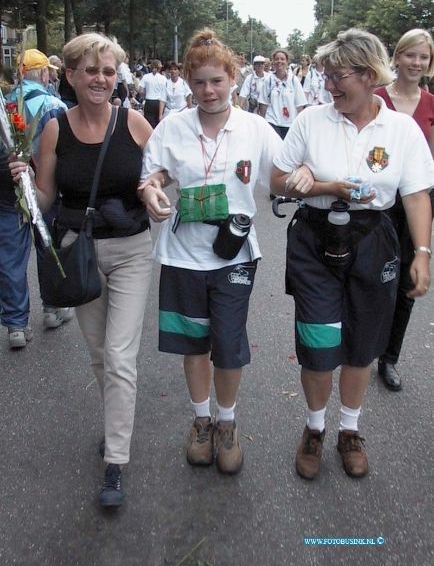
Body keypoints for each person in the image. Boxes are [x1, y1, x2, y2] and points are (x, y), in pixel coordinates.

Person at [270, 28, 434, 481]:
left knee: (362, 344)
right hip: (314, 240)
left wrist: (421, 251)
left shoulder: (400, 130)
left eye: (338, 77)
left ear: (367, 75)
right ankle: (315, 427)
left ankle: (350, 430)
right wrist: (317, 185)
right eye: (326, 76)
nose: (328, 86)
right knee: (320, 344)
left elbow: (417, 194)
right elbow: (277, 180)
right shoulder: (310, 121)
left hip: (373, 239)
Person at [10, 33, 154, 506]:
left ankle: (116, 460)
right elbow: (46, 201)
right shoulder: (54, 129)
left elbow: (161, 172)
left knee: (119, 353)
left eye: (108, 70)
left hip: (131, 249)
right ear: (69, 75)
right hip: (79, 252)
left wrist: (155, 190)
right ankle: (117, 420)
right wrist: (26, 185)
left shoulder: (136, 124)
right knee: (100, 354)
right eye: (90, 70)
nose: (100, 78)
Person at [139, 28, 282, 476]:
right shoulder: (172, 127)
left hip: (234, 254)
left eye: (216, 81)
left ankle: (227, 421)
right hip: (183, 253)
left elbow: (280, 176)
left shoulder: (255, 128)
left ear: (232, 79)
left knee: (228, 343)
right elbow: (154, 174)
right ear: (187, 82)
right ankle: (201, 421)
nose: (208, 90)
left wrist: (308, 179)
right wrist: (152, 190)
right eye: (198, 81)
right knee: (194, 343)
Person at [374, 28, 434, 391]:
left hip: (418, 200)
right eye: (410, 55)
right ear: (396, 57)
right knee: (372, 276)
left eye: (424, 57)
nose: (416, 62)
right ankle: (364, 346)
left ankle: (389, 357)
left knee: (407, 281)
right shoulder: (378, 97)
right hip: (378, 201)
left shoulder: (432, 103)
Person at [1, 49, 70, 349]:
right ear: (44, 74)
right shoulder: (53, 105)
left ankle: (16, 325)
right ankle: (53, 309)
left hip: (7, 185)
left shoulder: (5, 105)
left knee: (11, 255)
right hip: (45, 187)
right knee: (47, 243)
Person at [258, 49, 306, 140]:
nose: (279, 61)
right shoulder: (268, 80)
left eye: (282, 59)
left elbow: (300, 104)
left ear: (287, 61)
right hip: (272, 121)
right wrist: (262, 123)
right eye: (277, 59)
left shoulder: (293, 80)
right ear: (273, 62)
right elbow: (263, 103)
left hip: (290, 123)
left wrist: (301, 125)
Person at [138, 59, 167, 128]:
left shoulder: (146, 77)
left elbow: (141, 90)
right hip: (159, 102)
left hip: (149, 101)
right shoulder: (163, 78)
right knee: (158, 123)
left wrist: (145, 94)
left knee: (149, 123)